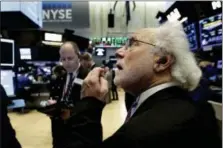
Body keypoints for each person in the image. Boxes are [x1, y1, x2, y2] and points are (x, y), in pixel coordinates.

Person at [55, 21, 221, 148]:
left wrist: (88, 105)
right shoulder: (191, 108)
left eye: (133, 44)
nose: (119, 52)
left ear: (162, 61)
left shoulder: (146, 131)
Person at [43, 41, 90, 148]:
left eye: (70, 58)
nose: (66, 63)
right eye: (63, 59)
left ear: (78, 56)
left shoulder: (88, 77)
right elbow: (55, 97)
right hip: (59, 132)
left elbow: (93, 108)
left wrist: (71, 112)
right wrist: (51, 106)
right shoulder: (60, 77)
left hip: (79, 133)